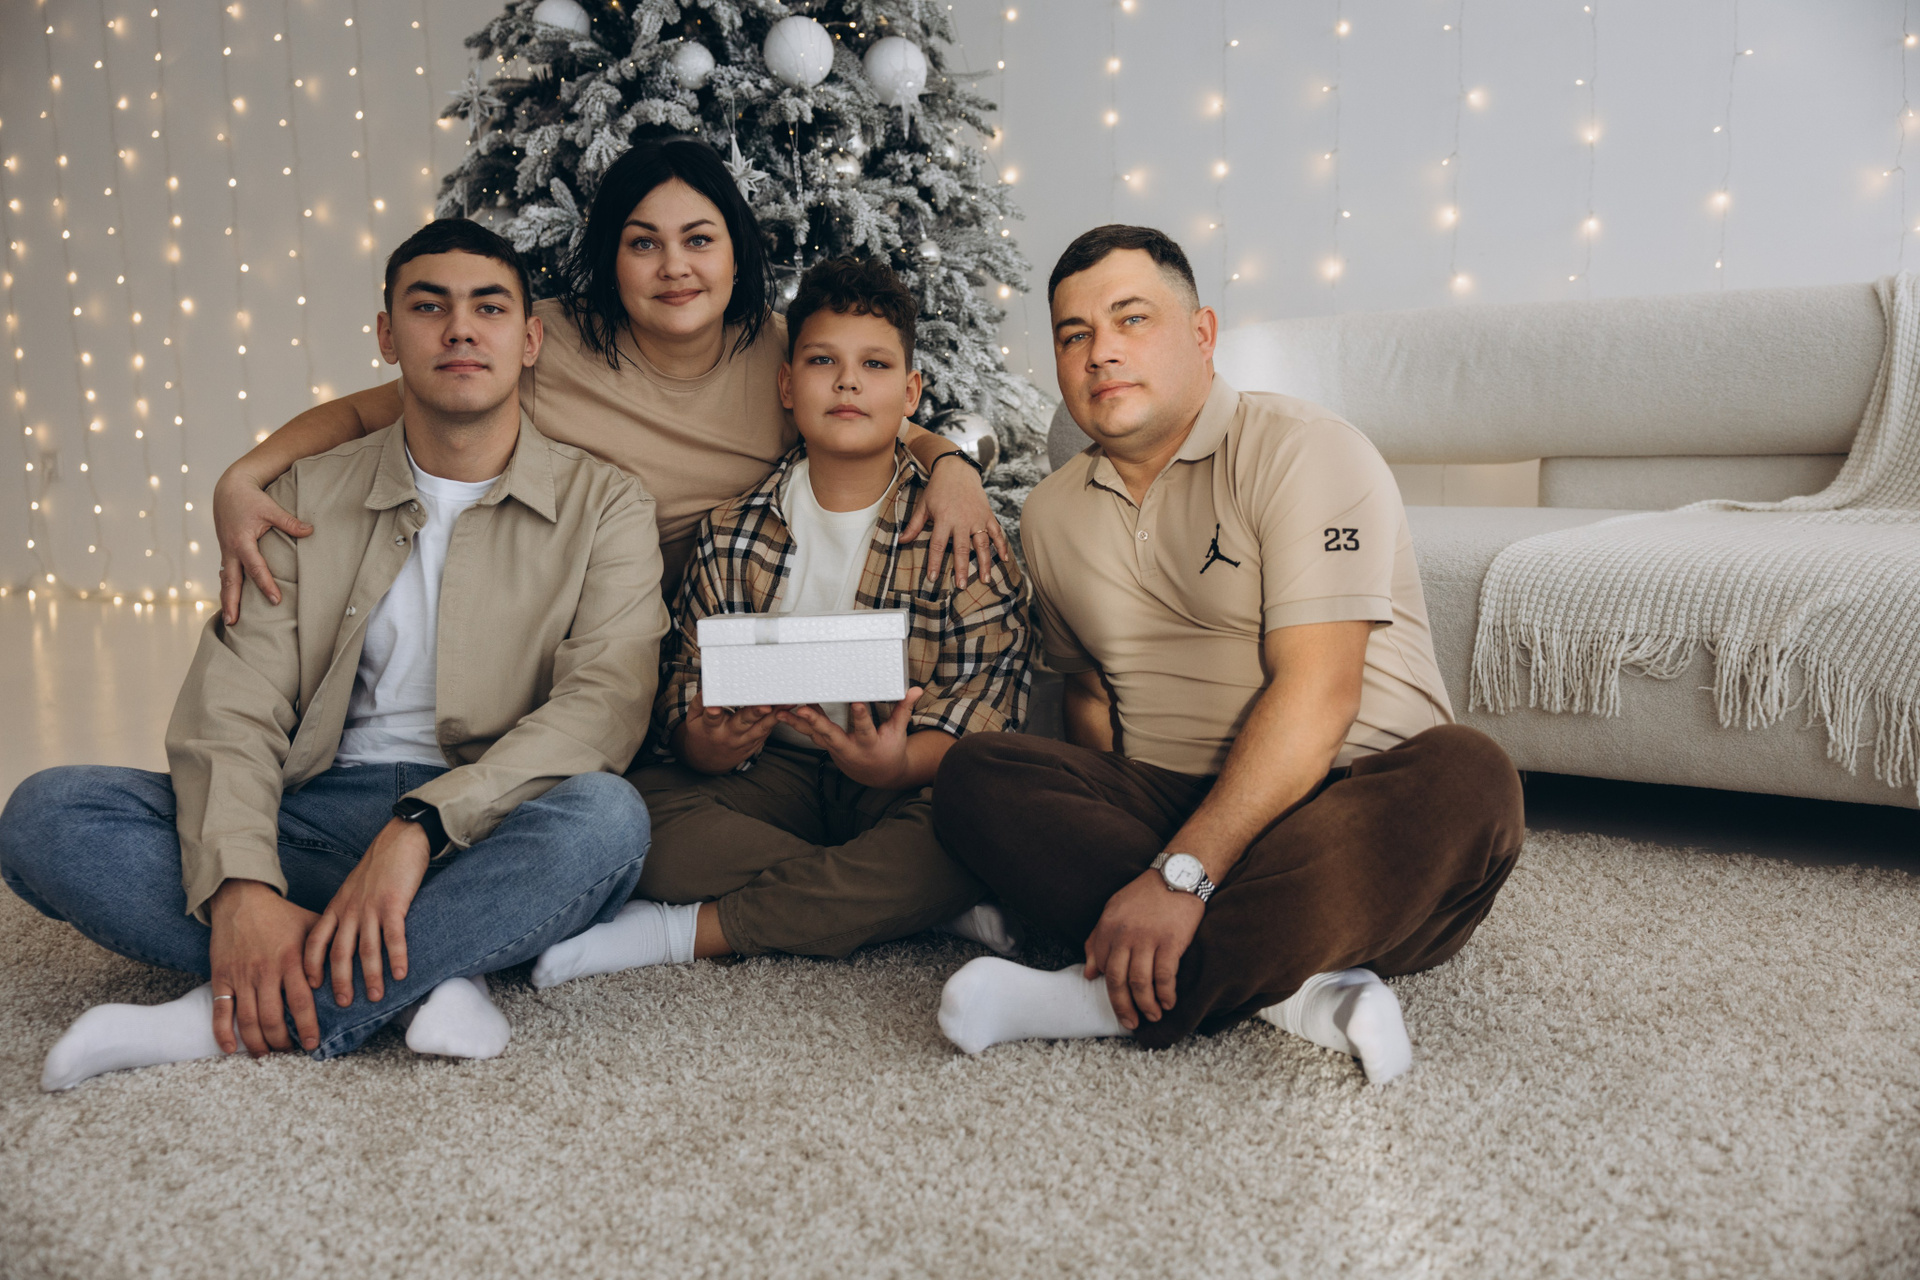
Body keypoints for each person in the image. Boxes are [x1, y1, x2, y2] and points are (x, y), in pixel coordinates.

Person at [0, 220, 669, 1090]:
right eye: (428, 307)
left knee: (608, 822)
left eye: (489, 308)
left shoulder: (607, 504)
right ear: (388, 335)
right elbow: (233, 707)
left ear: (530, 340)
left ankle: (222, 1013)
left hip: (488, 823)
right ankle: (434, 968)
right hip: (311, 816)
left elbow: (603, 706)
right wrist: (242, 888)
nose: (460, 330)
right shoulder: (303, 496)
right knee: (48, 814)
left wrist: (421, 826)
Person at [930, 226, 1525, 1084]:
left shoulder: (1305, 450)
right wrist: (1145, 849)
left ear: (1202, 334)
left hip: (1351, 801)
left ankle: (1093, 998)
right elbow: (1091, 700)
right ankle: (1299, 988)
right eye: (1073, 334)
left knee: (1472, 779)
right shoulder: (1051, 514)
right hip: (1173, 800)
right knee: (975, 775)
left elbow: (1322, 693)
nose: (1101, 352)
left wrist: (1180, 878)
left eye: (1132, 319)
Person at [212, 137, 1007, 629]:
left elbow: (875, 418)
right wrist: (243, 477)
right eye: (643, 243)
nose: (674, 268)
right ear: (611, 259)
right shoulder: (545, 342)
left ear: (736, 255)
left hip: (725, 628)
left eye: (699, 240)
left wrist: (952, 466)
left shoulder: (781, 351)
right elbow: (377, 410)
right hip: (566, 627)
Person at [532, 256, 1032, 985]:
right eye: (823, 361)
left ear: (911, 392)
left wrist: (896, 765)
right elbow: (683, 684)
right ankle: (903, 903)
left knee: (976, 829)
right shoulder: (730, 533)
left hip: (903, 784)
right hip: (771, 775)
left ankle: (688, 931)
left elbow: (991, 713)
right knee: (639, 817)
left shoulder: (959, 534)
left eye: (875, 365)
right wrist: (706, 744)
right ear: (787, 386)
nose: (848, 382)